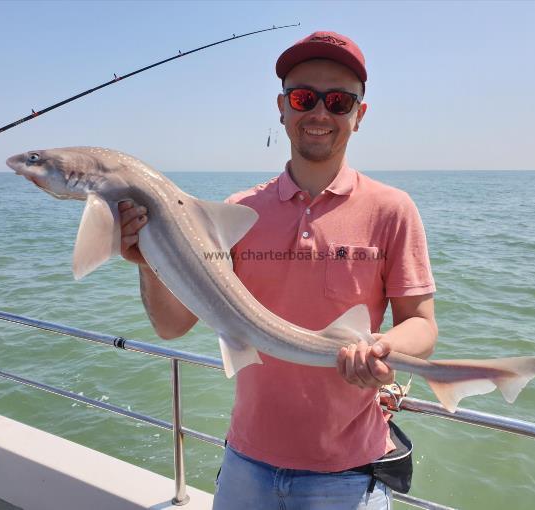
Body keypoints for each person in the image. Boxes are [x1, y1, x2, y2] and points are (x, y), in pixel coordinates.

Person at [119, 31, 437, 510]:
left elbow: (422, 324)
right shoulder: (236, 212)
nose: (319, 113)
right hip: (247, 462)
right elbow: (171, 325)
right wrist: (149, 259)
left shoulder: (392, 209)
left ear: (359, 115)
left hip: (348, 473)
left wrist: (382, 350)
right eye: (304, 97)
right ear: (282, 107)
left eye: (338, 100)